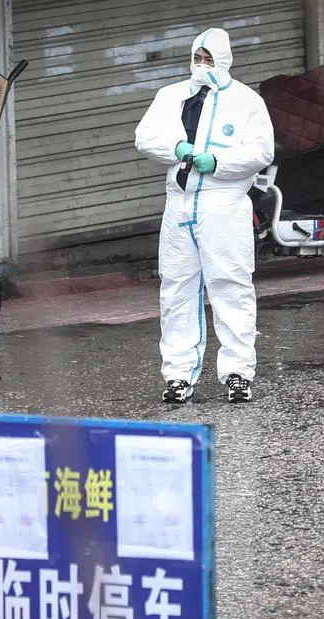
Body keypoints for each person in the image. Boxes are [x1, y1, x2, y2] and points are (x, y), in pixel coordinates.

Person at [135, 28, 275, 404]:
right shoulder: (172, 96)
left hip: (223, 205)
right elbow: (145, 136)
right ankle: (179, 376)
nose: (201, 66)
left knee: (230, 288)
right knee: (176, 290)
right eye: (197, 58)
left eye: (208, 59)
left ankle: (238, 374)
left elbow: (262, 151)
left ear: (224, 60)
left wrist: (220, 162)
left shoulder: (246, 102)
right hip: (179, 204)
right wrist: (176, 147)